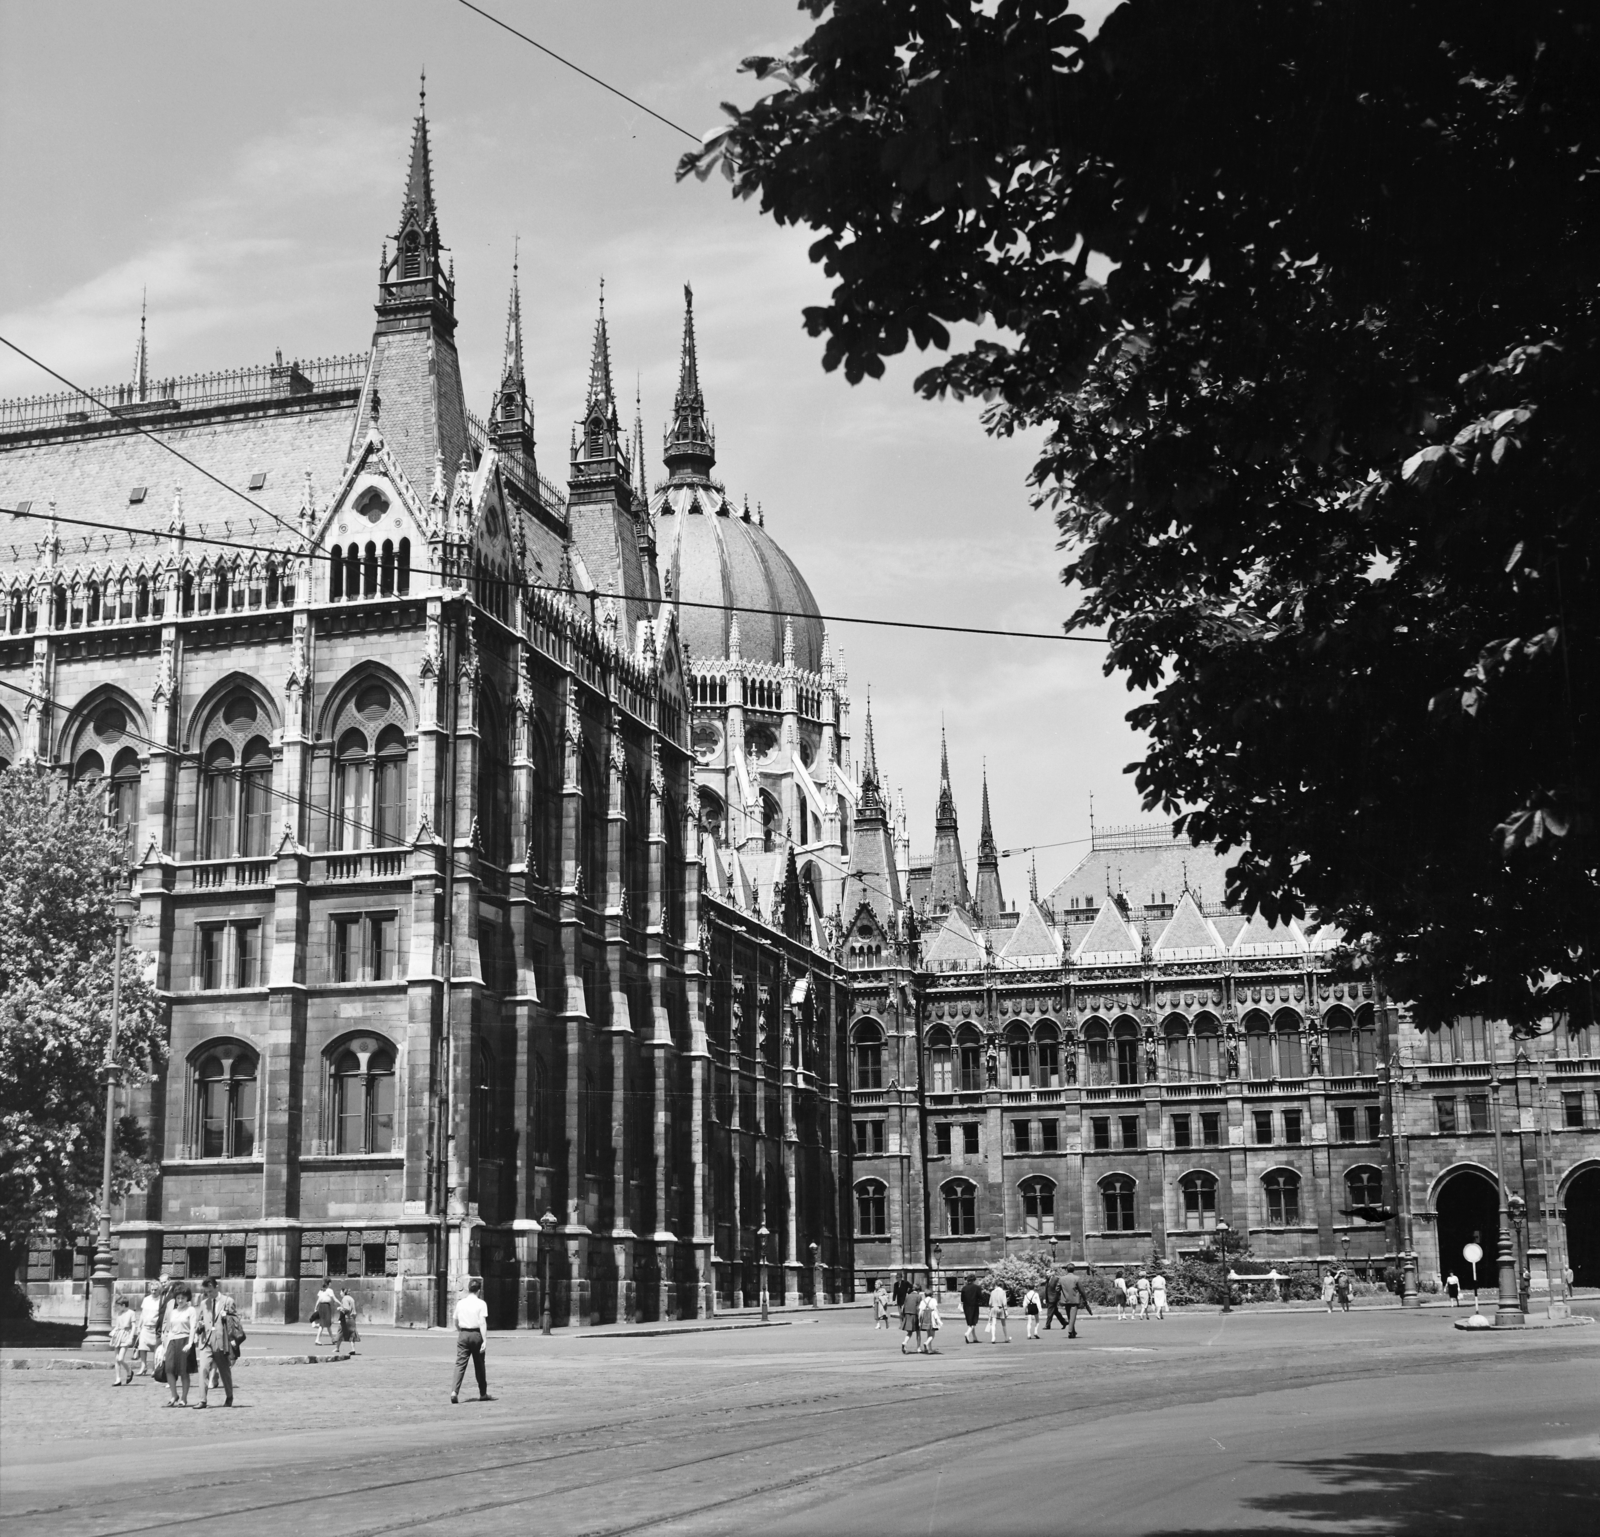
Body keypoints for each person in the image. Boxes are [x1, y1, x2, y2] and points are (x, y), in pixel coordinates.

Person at [192, 1277, 235, 1409]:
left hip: (221, 1341)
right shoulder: (204, 1303)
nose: (209, 1294)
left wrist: (226, 1317)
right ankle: (202, 1400)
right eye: (206, 1292)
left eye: (210, 1291)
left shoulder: (228, 1301)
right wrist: (199, 1326)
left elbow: (234, 1321)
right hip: (206, 1341)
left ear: (217, 1287)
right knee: (203, 1369)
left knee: (224, 1371)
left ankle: (229, 1396)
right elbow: (200, 1319)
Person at [451, 1277, 492, 1403]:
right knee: (479, 1365)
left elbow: (455, 1320)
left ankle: (454, 1391)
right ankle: (483, 1393)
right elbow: (482, 1323)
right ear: (479, 1290)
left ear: (469, 1289)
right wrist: (485, 1340)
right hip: (476, 1334)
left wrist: (460, 1330)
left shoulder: (460, 1303)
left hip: (463, 1334)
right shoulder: (481, 1304)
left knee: (460, 1364)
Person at [160, 1283, 198, 1408]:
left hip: (185, 1340)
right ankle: (174, 1394)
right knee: (169, 1369)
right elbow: (170, 1329)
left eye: (182, 1298)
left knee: (184, 1371)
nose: (180, 1300)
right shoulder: (173, 1312)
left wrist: (190, 1343)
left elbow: (193, 1327)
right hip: (173, 1341)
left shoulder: (191, 1310)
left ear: (187, 1298)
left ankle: (184, 1397)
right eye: (178, 1298)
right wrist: (165, 1347)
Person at [135, 1283, 164, 1376]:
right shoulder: (146, 1299)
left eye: (155, 1290)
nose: (153, 1292)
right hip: (145, 1327)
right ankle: (143, 1367)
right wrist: (139, 1326)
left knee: (156, 1349)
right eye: (152, 1290)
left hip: (156, 1328)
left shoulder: (162, 1300)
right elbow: (143, 1314)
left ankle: (155, 1368)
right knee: (142, 1348)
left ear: (159, 1290)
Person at [110, 1296, 138, 1386]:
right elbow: (117, 1326)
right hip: (118, 1335)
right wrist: (113, 1332)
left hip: (126, 1335)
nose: (117, 1308)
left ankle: (129, 1370)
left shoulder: (131, 1313)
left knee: (120, 1358)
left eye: (118, 1306)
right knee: (116, 1359)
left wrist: (131, 1337)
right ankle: (118, 1378)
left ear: (123, 1305)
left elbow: (133, 1326)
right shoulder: (119, 1313)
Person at [1059, 1263, 1092, 1339]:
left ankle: (1073, 1332)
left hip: (1066, 1300)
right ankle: (1070, 1331)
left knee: (1069, 1317)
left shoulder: (1062, 1279)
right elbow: (1081, 1290)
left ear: (1066, 1270)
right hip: (1074, 1300)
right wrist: (1085, 1298)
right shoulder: (1076, 1278)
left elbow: (1057, 1289)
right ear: (1074, 1270)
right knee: (1072, 1317)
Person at [899, 1278, 925, 1354]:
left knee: (909, 1332)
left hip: (907, 1314)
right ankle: (918, 1347)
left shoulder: (908, 1296)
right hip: (915, 1314)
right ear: (918, 1290)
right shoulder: (919, 1297)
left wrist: (903, 1315)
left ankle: (904, 1342)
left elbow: (904, 1305)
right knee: (918, 1332)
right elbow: (919, 1307)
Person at [312, 1279, 338, 1347]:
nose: (331, 1284)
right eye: (330, 1283)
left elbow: (318, 1300)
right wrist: (341, 1303)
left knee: (326, 1324)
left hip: (321, 1307)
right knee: (323, 1324)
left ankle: (332, 1339)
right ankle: (317, 1340)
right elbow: (334, 1299)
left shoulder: (321, 1290)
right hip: (326, 1307)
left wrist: (315, 1308)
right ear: (329, 1283)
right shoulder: (330, 1290)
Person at [959, 1274, 983, 1344]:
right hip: (974, 1305)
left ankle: (974, 1337)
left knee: (970, 1321)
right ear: (974, 1280)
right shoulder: (977, 1288)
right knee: (974, 1322)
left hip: (966, 1306)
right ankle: (967, 1333)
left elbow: (962, 1299)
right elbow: (981, 1297)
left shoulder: (964, 1288)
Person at [918, 1288, 942, 1353]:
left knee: (928, 1333)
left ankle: (929, 1349)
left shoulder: (922, 1301)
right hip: (932, 1317)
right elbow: (935, 1308)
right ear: (931, 1294)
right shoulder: (933, 1300)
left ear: (925, 1294)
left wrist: (919, 1321)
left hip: (925, 1317)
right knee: (932, 1334)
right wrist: (938, 1316)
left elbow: (920, 1312)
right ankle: (926, 1343)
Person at [987, 1278, 1010, 1344]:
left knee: (993, 1324)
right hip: (1001, 1308)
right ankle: (1006, 1338)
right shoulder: (1003, 1292)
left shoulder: (992, 1292)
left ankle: (993, 1337)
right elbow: (1004, 1302)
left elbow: (990, 1303)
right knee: (1003, 1324)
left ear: (996, 1285)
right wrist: (1006, 1310)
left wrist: (989, 1309)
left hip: (993, 1308)